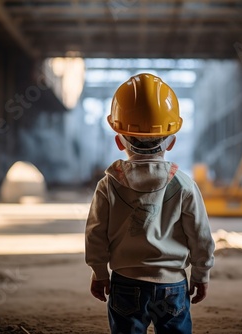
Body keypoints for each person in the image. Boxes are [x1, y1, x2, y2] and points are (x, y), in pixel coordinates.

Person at [85, 73, 215, 334]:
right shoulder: (184, 185)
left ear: (119, 140)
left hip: (125, 283)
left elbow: (95, 234)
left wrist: (99, 272)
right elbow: (201, 237)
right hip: (173, 285)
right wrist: (201, 275)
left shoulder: (108, 184)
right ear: (172, 140)